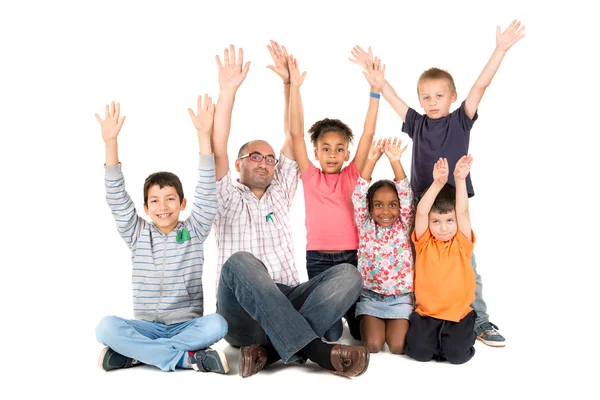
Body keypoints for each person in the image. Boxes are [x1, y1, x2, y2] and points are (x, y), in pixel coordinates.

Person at [349, 20, 526, 346]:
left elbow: (480, 87)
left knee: (465, 261)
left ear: (452, 97)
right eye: (425, 97)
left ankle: (480, 320)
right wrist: (377, 79)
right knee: (418, 260)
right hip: (421, 203)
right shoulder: (416, 123)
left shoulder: (460, 119)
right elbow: (392, 98)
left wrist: (500, 49)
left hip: (454, 200)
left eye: (439, 96)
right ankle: (421, 311)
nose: (432, 102)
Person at [210, 43, 370, 378]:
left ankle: (268, 353)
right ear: (238, 164)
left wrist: (289, 86)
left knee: (349, 274)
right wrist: (227, 92)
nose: (265, 162)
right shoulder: (224, 193)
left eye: (270, 159)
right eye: (255, 156)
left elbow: (291, 133)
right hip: (241, 313)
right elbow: (217, 146)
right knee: (241, 262)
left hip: (287, 298)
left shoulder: (281, 191)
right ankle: (317, 350)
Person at [94, 97, 229, 373]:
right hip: (146, 327)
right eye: (154, 201)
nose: (162, 207)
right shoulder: (137, 233)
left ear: (182, 203)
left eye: (169, 199)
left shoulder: (194, 230)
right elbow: (117, 199)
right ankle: (185, 358)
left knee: (219, 324)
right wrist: (110, 143)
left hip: (187, 325)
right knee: (105, 327)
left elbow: (206, 190)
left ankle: (137, 356)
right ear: (145, 208)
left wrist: (204, 136)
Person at [288, 52, 384, 341]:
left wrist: (375, 92)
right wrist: (294, 88)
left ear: (346, 153)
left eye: (339, 148)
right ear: (316, 153)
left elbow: (368, 133)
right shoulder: (310, 176)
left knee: (360, 334)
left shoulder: (353, 175)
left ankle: (356, 318)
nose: (332, 154)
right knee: (329, 334)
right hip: (317, 260)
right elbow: (295, 135)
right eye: (326, 148)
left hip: (351, 259)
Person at [405, 156, 477, 364]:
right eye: (436, 221)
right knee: (419, 353)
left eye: (449, 221)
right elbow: (421, 212)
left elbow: (462, 211)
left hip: (458, 316)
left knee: (457, 357)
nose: (443, 228)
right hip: (427, 315)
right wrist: (438, 183)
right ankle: (435, 344)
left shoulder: (462, 242)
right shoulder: (425, 241)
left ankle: (463, 335)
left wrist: (460, 179)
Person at [352, 137, 414, 354]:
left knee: (397, 347)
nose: (386, 211)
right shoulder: (365, 224)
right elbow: (358, 194)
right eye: (378, 205)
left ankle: (395, 323)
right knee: (373, 345)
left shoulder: (404, 224)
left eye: (392, 205)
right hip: (371, 296)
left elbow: (406, 194)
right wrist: (371, 160)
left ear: (400, 207)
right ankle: (370, 321)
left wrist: (395, 161)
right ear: (369, 208)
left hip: (401, 298)